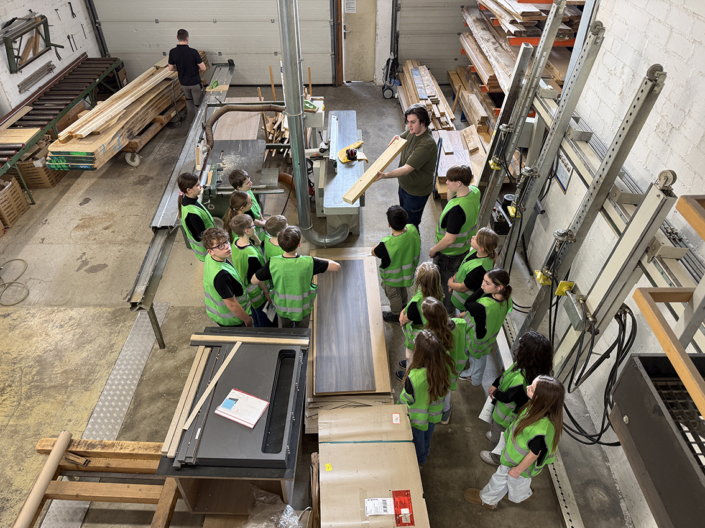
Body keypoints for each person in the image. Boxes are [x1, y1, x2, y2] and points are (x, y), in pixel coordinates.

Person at [464, 376, 565, 509]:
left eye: (532, 389)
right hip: (520, 462)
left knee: (500, 479)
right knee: (520, 481)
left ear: (541, 399)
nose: (528, 387)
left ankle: (487, 499)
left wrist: (517, 470)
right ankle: (523, 494)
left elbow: (534, 454)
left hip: (516, 462)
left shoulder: (540, 429)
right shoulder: (540, 410)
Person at [482, 331, 553, 465]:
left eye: (522, 343)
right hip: (511, 414)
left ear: (527, 353)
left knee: (500, 436)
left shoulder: (521, 379)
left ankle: (496, 457)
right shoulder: (531, 370)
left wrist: (495, 393)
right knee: (499, 432)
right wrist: (496, 383)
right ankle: (495, 435)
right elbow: (505, 375)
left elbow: (506, 398)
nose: (519, 341)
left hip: (505, 417)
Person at [251, 226, 341, 328]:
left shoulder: (272, 263)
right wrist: (314, 259)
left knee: (286, 332)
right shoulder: (309, 262)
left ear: (280, 244)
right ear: (299, 244)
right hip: (302, 308)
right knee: (302, 332)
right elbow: (336, 266)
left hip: (282, 308)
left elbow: (254, 280)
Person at [399, 298, 466, 425]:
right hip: (454, 366)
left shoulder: (431, 337)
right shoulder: (458, 324)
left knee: (440, 391)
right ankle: (445, 414)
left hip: (439, 369)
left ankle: (443, 413)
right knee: (447, 390)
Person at [429, 165, 482, 314]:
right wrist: (452, 188)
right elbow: (450, 199)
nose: (446, 183)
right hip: (463, 248)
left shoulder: (457, 211)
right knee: (455, 276)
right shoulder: (474, 192)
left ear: (459, 183)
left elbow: (449, 239)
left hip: (449, 254)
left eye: (449, 181)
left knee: (446, 284)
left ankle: (447, 312)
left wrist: (434, 250)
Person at [375, 104, 438, 229]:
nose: (409, 125)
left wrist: (385, 175)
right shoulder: (413, 131)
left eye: (413, 122)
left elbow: (406, 169)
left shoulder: (426, 144)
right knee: (404, 219)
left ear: (423, 122)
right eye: (408, 122)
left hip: (416, 193)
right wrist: (398, 137)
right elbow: (403, 137)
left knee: (411, 226)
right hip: (405, 186)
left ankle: (414, 241)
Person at [398, 330, 453, 465]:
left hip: (417, 419)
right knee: (427, 435)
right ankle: (426, 450)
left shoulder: (415, 376)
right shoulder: (444, 367)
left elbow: (406, 399)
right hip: (433, 415)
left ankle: (420, 459)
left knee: (417, 441)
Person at [459, 269, 513, 385]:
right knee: (480, 357)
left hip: (477, 339)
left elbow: (468, 303)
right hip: (489, 336)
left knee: (476, 358)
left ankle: (474, 377)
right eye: (483, 280)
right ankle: (475, 376)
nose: (482, 284)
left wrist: (481, 289)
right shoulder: (507, 299)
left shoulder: (483, 305)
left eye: (487, 283)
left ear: (499, 287)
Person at [372, 205, 421, 324]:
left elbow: (374, 252)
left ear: (389, 224)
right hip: (407, 274)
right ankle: (404, 305)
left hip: (392, 279)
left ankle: (396, 314)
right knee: (402, 290)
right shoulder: (413, 229)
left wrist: (378, 245)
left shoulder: (386, 244)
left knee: (394, 296)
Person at [397, 262, 444, 381]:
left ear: (421, 281)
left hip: (416, 337)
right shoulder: (437, 293)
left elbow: (405, 319)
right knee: (421, 355)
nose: (416, 270)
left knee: (411, 357)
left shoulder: (418, 302)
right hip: (430, 332)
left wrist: (402, 315)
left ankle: (408, 377)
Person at [201, 227, 253, 327]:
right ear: (210, 251)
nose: (227, 247)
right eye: (220, 246)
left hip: (216, 311)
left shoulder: (209, 258)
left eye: (226, 242)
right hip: (231, 319)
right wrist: (247, 320)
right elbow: (232, 304)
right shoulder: (222, 276)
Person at [229, 215, 273, 328]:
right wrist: (266, 292)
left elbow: (257, 243)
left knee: (254, 312)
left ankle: (256, 326)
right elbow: (259, 278)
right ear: (247, 231)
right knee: (263, 316)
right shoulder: (251, 255)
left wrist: (253, 236)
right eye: (253, 226)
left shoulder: (235, 241)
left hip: (245, 286)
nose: (255, 228)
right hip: (256, 291)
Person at [447, 227, 499, 312]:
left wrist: (450, 284)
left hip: (463, 302)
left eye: (475, 238)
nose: (473, 237)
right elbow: (464, 265)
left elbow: (463, 288)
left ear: (481, 248)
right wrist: (454, 278)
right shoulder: (477, 251)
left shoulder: (479, 269)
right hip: (456, 291)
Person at [168, 29, 206, 122]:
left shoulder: (173, 52)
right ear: (187, 38)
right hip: (195, 83)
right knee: (198, 104)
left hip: (184, 83)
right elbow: (203, 68)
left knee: (189, 101)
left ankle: (190, 122)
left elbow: (171, 68)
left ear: (177, 37)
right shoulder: (193, 52)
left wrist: (180, 68)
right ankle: (199, 123)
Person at [178, 172, 215, 262]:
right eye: (197, 185)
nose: (201, 186)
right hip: (208, 253)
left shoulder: (190, 201)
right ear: (189, 190)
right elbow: (204, 236)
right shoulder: (192, 214)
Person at [228, 169, 267, 240]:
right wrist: (263, 224)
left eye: (250, 181)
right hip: (254, 232)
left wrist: (262, 220)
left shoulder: (247, 190)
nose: (251, 183)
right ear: (239, 187)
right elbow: (252, 220)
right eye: (247, 183)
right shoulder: (240, 201)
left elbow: (257, 206)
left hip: (259, 225)